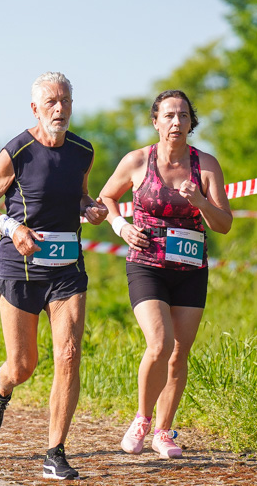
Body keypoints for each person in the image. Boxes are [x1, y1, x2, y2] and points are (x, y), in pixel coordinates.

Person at [0, 72, 108, 480]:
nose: (60, 109)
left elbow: (80, 197)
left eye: (65, 101)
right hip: (21, 269)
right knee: (24, 365)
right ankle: (1, 387)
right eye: (51, 102)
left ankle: (55, 452)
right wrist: (12, 229)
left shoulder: (83, 151)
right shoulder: (18, 151)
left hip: (66, 268)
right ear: (35, 108)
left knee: (68, 354)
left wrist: (91, 208)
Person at [98, 90, 232, 459]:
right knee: (159, 343)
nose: (176, 122)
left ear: (192, 122)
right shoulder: (139, 160)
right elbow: (106, 197)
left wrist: (201, 201)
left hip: (190, 269)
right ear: (155, 121)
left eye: (184, 116)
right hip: (147, 265)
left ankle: (163, 431)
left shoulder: (205, 165)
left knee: (179, 354)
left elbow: (224, 224)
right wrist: (121, 226)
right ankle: (141, 419)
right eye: (169, 116)